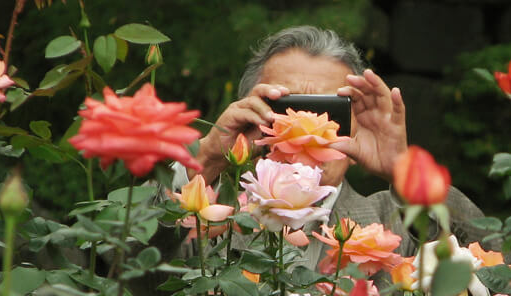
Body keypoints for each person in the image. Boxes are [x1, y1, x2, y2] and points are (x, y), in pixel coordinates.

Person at [191, 25, 487, 256]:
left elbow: (499, 277)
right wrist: (204, 161)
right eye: (286, 110)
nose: (305, 133)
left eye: (327, 114)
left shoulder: (390, 222)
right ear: (249, 115)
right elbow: (147, 263)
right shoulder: (213, 220)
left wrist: (404, 172)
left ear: (357, 124)